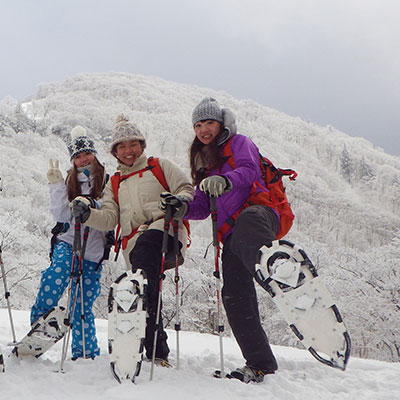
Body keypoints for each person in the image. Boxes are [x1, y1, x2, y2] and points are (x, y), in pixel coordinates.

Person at [160, 97, 281, 383]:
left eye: (209, 123)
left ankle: (281, 271)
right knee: (234, 297)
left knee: (249, 222)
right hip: (232, 236)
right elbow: (203, 204)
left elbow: (250, 170)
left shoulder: (240, 143)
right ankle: (260, 363)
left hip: (260, 215)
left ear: (221, 123)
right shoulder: (203, 161)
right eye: (198, 124)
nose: (203, 129)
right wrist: (183, 208)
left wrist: (226, 181)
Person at [71, 115, 194, 363]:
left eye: (133, 144)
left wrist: (178, 200)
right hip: (135, 247)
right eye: (122, 146)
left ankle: (154, 347)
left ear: (142, 145)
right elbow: (108, 219)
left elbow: (186, 189)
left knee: (143, 274)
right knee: (144, 289)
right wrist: (86, 215)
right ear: (115, 151)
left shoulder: (160, 166)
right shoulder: (114, 182)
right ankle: (154, 349)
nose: (128, 151)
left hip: (166, 231)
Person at [31, 126, 108, 360]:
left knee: (81, 303)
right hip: (67, 241)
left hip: (93, 250)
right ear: (72, 160)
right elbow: (61, 216)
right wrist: (55, 186)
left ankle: (85, 352)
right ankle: (38, 325)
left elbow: (112, 212)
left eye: (86, 153)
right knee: (56, 274)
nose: (83, 159)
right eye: (77, 156)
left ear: (94, 154)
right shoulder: (69, 182)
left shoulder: (108, 182)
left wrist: (93, 207)